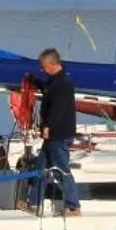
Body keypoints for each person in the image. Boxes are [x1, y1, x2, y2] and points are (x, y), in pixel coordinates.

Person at [23, 48, 80, 214]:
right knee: (41, 168)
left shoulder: (63, 84)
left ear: (53, 64)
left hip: (59, 134)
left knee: (62, 169)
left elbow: (59, 109)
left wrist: (49, 126)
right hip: (52, 136)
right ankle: (33, 203)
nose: (42, 70)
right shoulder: (55, 80)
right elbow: (48, 90)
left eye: (43, 67)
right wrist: (34, 81)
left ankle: (73, 206)